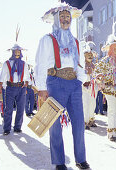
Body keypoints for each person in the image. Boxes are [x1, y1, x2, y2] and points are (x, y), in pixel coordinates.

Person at [35, 4, 89, 170]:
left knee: (79, 122)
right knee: (55, 124)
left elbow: (80, 63)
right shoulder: (47, 39)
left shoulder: (76, 41)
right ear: (57, 20)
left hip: (73, 83)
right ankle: (59, 162)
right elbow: (40, 63)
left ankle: (81, 159)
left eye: (67, 17)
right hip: (55, 81)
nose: (66, 20)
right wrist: (42, 88)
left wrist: (81, 80)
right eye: (63, 17)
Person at [94, 19, 116, 142]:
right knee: (112, 109)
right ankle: (111, 132)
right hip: (109, 88)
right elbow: (96, 73)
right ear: (111, 47)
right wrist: (100, 80)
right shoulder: (105, 60)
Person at [0, 42, 30, 135]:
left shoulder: (24, 64)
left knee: (20, 108)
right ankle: (7, 129)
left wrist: (26, 85)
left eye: (18, 51)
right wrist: (0, 88)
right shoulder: (6, 63)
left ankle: (17, 127)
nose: (17, 53)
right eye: (15, 51)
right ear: (12, 52)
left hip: (21, 88)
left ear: (20, 52)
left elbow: (27, 76)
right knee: (8, 109)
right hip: (10, 88)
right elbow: (2, 76)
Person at [82, 41, 98, 130]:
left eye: (91, 55)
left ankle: (92, 120)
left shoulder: (94, 65)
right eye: (88, 55)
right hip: (84, 88)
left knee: (93, 104)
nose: (90, 56)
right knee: (86, 104)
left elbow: (95, 76)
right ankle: (85, 122)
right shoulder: (81, 66)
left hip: (92, 88)